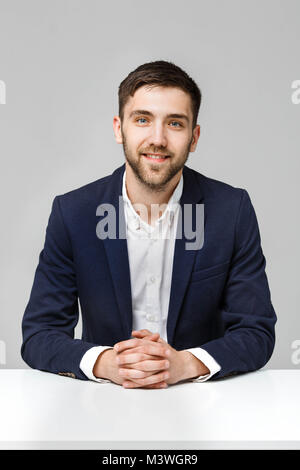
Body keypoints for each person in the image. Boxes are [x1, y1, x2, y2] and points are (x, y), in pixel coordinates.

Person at [21, 60, 277, 389]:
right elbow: (39, 334)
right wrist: (107, 362)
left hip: (203, 404)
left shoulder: (231, 210)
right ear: (119, 128)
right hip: (103, 404)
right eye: (142, 119)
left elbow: (256, 332)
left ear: (194, 137)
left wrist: (187, 362)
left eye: (175, 123)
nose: (157, 138)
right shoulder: (73, 213)